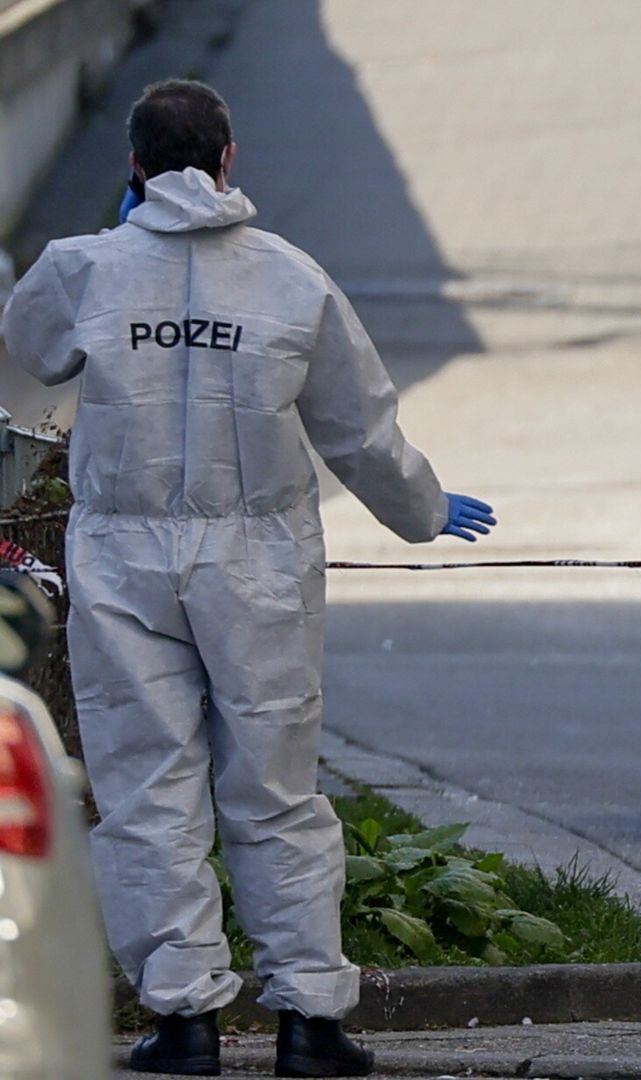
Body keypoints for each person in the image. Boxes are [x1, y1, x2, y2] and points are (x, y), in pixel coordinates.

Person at [0, 79, 497, 1077]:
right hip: (259, 561)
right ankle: (310, 1021)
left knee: (147, 788)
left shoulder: (82, 269)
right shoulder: (289, 281)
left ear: (132, 167)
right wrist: (424, 510)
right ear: (230, 160)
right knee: (274, 790)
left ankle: (181, 1022)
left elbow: (26, 358)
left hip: (125, 559)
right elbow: (360, 429)